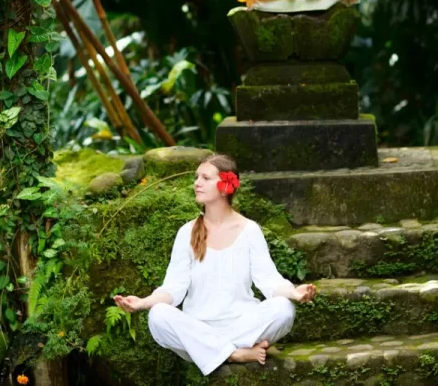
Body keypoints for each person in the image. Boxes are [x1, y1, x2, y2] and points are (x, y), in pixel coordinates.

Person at [112, 154, 317, 373]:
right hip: (197, 327)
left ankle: (214, 351)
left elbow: (269, 280)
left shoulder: (249, 230)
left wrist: (293, 293)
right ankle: (233, 354)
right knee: (158, 315)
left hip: (240, 325)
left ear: (224, 186)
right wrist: (143, 302)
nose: (196, 182)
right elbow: (173, 289)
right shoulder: (187, 232)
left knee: (283, 308)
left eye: (205, 178)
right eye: (196, 177)